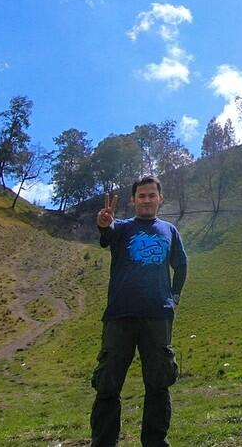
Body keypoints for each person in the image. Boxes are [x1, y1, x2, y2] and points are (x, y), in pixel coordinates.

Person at [91, 175, 188, 447]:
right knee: (108, 384)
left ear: (160, 198)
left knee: (158, 384)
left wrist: (175, 298)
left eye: (151, 195)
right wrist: (103, 223)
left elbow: (181, 265)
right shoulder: (121, 228)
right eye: (141, 196)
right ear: (133, 200)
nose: (146, 200)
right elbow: (106, 234)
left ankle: (156, 443)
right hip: (119, 316)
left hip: (158, 317)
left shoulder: (169, 231)